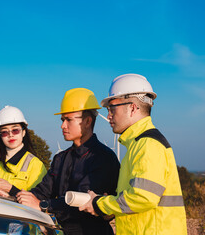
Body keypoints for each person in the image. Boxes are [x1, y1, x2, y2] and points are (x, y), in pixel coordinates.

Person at [80, 74, 187, 234]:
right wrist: (112, 208)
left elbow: (142, 197)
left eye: (112, 108)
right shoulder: (138, 144)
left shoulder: (148, 144)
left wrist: (99, 203)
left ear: (132, 107)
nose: (108, 116)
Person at [15, 88, 120, 235]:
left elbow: (81, 202)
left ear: (88, 121)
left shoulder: (103, 158)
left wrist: (43, 205)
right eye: (62, 120)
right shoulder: (61, 158)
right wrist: (12, 196)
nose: (62, 126)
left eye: (68, 120)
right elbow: (42, 191)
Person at [0, 105, 47, 197]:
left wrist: (10, 191)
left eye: (15, 130)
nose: (10, 135)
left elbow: (36, 200)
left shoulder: (35, 165)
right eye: (5, 132)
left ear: (23, 132)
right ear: (0, 136)